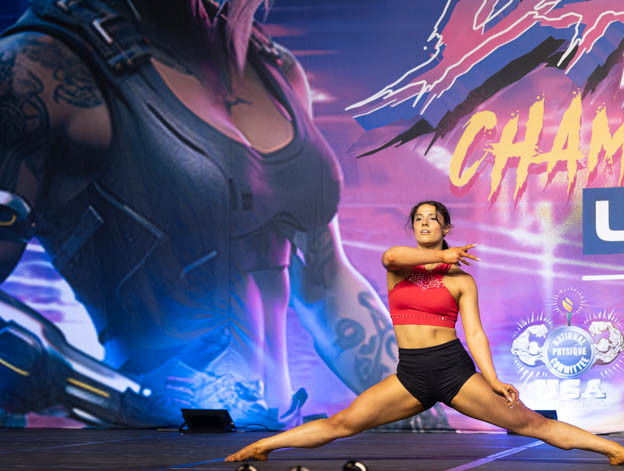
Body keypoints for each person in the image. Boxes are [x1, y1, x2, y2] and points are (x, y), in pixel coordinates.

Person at [0, 0, 408, 428]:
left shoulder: (276, 70)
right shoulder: (40, 68)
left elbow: (327, 285)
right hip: (148, 447)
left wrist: (419, 407)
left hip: (277, 435)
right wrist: (77, 390)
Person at [227, 201, 624, 467]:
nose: (425, 223)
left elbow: (476, 334)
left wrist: (492, 379)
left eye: (433, 218)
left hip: (453, 370)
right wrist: (442, 257)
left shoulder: (461, 281)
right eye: (418, 219)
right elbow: (390, 255)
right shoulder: (400, 267)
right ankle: (265, 446)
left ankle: (613, 449)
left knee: (530, 423)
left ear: (445, 227)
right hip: (411, 374)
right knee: (343, 422)